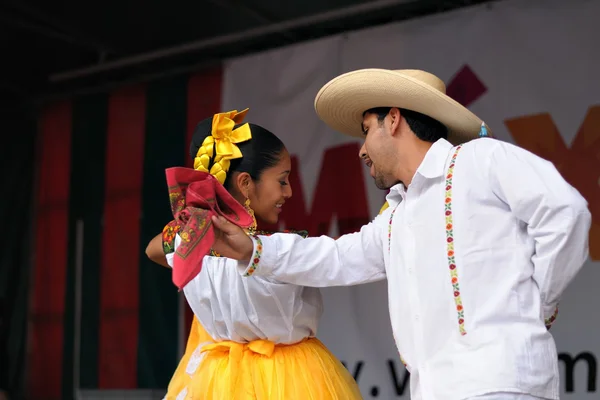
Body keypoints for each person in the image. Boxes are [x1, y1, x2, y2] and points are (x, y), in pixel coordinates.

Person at [208, 69, 592, 400]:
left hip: (501, 381)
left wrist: (539, 301)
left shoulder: (480, 160)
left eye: (365, 131)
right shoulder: (397, 215)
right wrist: (251, 248)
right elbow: (337, 258)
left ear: (392, 120)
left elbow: (565, 212)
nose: (361, 151)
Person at [145, 109, 362, 399]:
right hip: (293, 381)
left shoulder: (188, 241)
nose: (289, 192)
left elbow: (153, 249)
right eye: (282, 180)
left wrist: (192, 226)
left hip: (215, 384)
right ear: (246, 183)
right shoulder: (282, 247)